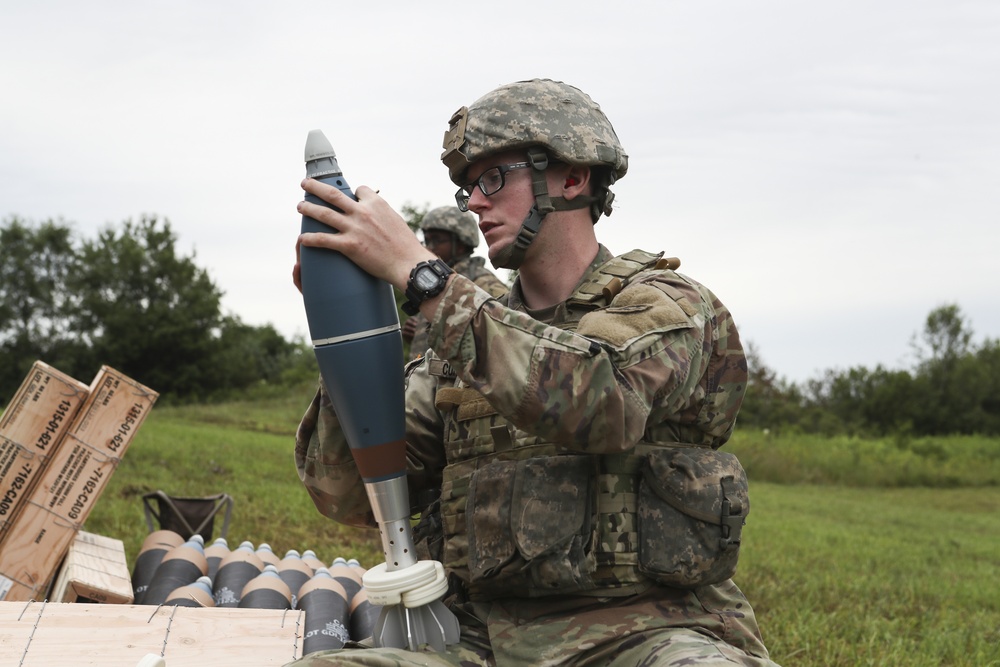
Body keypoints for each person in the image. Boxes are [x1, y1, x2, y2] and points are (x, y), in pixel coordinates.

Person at [290, 78, 779, 666]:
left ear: (572, 178)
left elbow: (605, 403)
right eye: (467, 185)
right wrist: (349, 337)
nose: (474, 201)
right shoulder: (458, 344)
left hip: (645, 635)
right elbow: (342, 494)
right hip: (479, 642)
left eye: (494, 178)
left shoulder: (663, 304)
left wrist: (424, 278)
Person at [402, 206, 507, 361]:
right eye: (427, 239)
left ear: (461, 244)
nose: (429, 247)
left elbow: (504, 343)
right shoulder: (436, 284)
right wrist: (418, 334)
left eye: (437, 240)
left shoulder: (483, 283)